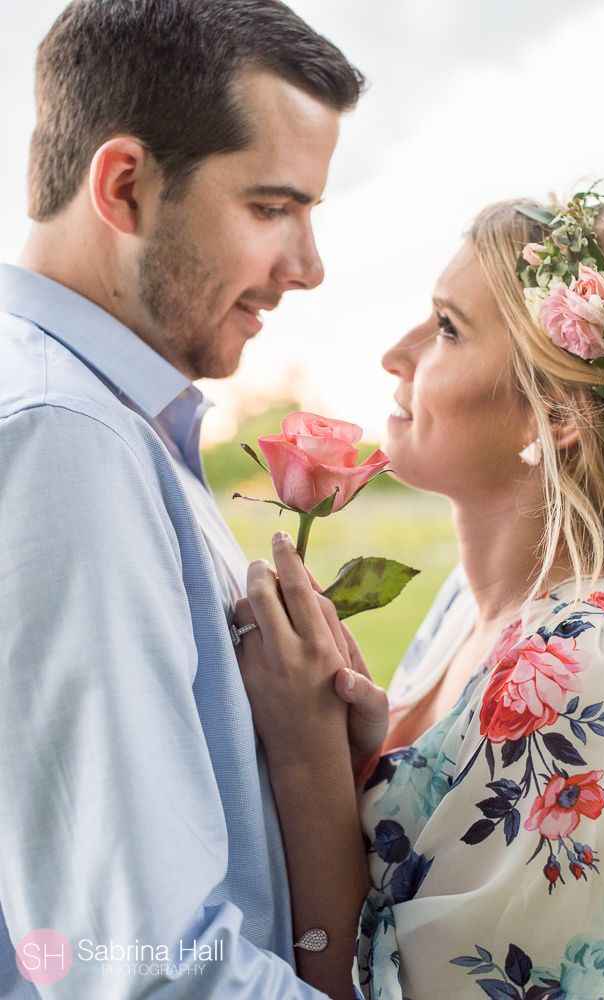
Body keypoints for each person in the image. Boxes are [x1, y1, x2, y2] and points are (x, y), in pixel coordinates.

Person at [0, 1, 366, 997]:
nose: (308, 267)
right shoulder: (62, 435)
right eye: (270, 207)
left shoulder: (110, 424)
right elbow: (146, 968)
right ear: (125, 187)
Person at [236, 194, 604, 999]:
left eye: (446, 328)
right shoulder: (466, 607)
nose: (395, 355)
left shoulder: (595, 667)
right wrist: (350, 744)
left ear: (560, 411)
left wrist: (306, 755)